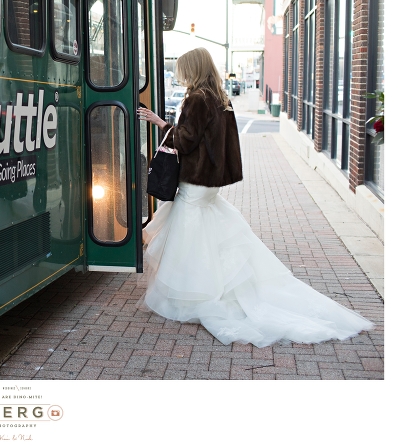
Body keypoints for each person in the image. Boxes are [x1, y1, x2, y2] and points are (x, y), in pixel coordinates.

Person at [137, 47, 373, 347]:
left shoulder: (197, 98)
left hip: (195, 178)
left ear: (193, 69)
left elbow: (185, 141)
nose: (180, 75)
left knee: (189, 235)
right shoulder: (220, 98)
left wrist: (161, 123)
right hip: (210, 182)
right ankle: (211, 287)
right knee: (203, 233)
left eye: (183, 69)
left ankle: (195, 294)